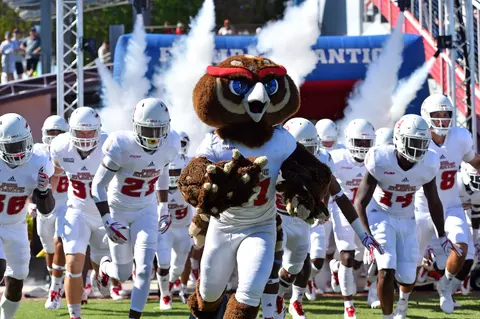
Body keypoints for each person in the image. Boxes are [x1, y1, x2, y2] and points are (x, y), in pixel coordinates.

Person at [354, 114, 457, 319]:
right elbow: (360, 201)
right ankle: (387, 316)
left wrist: (442, 234)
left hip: (407, 217)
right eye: (413, 142)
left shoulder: (428, 162)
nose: (418, 148)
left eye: (422, 143)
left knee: (409, 275)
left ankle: (402, 304)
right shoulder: (380, 159)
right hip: (380, 215)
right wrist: (366, 237)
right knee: (387, 266)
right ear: (400, 139)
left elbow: (433, 201)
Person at [92, 98, 180, 319]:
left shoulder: (170, 144)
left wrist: (163, 207)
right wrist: (106, 219)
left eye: (159, 130)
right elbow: (97, 185)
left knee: (143, 269)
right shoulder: (121, 145)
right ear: (135, 126)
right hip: (118, 209)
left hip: (145, 209)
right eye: (147, 130)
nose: (153, 137)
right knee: (122, 274)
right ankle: (104, 267)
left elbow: (162, 172)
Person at [398, 94, 480, 317]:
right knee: (413, 262)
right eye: (437, 115)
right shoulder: (418, 138)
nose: (443, 120)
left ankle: (445, 286)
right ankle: (403, 301)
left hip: (451, 206)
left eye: (446, 116)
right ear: (426, 116)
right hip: (421, 209)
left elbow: (474, 161)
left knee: (461, 247)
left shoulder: (460, 137)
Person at [50, 107, 111, 319]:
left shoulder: (110, 146)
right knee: (73, 264)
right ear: (71, 131)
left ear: (98, 131)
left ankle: (99, 274)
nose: (85, 137)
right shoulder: (61, 147)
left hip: (105, 213)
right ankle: (74, 315)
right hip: (77, 210)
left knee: (101, 262)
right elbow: (56, 171)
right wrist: (45, 193)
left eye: (90, 132)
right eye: (80, 132)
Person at [0, 113, 55, 319]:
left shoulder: (39, 160)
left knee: (16, 282)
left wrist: (43, 191)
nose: (18, 152)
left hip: (16, 225)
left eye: (22, 144)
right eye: (11, 147)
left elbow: (47, 210)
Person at [329, 119, 376, 319]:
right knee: (348, 256)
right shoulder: (337, 158)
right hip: (342, 208)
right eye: (359, 142)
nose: (363, 147)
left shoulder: (375, 159)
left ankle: (336, 268)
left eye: (367, 143)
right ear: (348, 141)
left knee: (358, 261)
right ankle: (349, 306)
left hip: (365, 210)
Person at [30, 115, 70, 310]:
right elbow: (27, 178)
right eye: (51, 133)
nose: (54, 137)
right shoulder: (37, 152)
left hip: (66, 204)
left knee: (59, 241)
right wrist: (31, 201)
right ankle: (54, 280)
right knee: (49, 247)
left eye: (58, 133)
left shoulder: (72, 150)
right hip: (45, 206)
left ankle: (55, 289)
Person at [156, 149, 193, 308]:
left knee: (178, 268)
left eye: (176, 171)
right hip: (165, 230)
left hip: (183, 229)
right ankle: (165, 296)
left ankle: (170, 283)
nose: (172, 175)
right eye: (169, 171)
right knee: (163, 262)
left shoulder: (189, 187)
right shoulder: (157, 189)